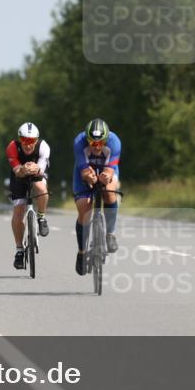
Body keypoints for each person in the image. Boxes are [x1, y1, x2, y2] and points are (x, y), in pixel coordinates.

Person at [72, 118, 121, 276]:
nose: (97, 147)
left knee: (109, 192)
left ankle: (110, 234)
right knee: (84, 208)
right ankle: (81, 251)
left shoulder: (114, 142)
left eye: (101, 143)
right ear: (87, 140)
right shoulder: (79, 142)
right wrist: (90, 178)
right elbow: (84, 172)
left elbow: (110, 171)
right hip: (85, 172)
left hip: (107, 170)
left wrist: (105, 177)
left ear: (106, 139)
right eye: (93, 143)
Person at [6, 122, 50, 269]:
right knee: (19, 210)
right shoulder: (12, 147)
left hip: (37, 173)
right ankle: (19, 251)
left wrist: (36, 168)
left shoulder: (43, 147)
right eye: (24, 140)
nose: (28, 144)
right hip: (19, 175)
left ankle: (42, 217)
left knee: (41, 188)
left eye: (31, 141)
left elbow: (42, 169)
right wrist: (24, 169)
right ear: (19, 139)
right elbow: (17, 171)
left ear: (36, 140)